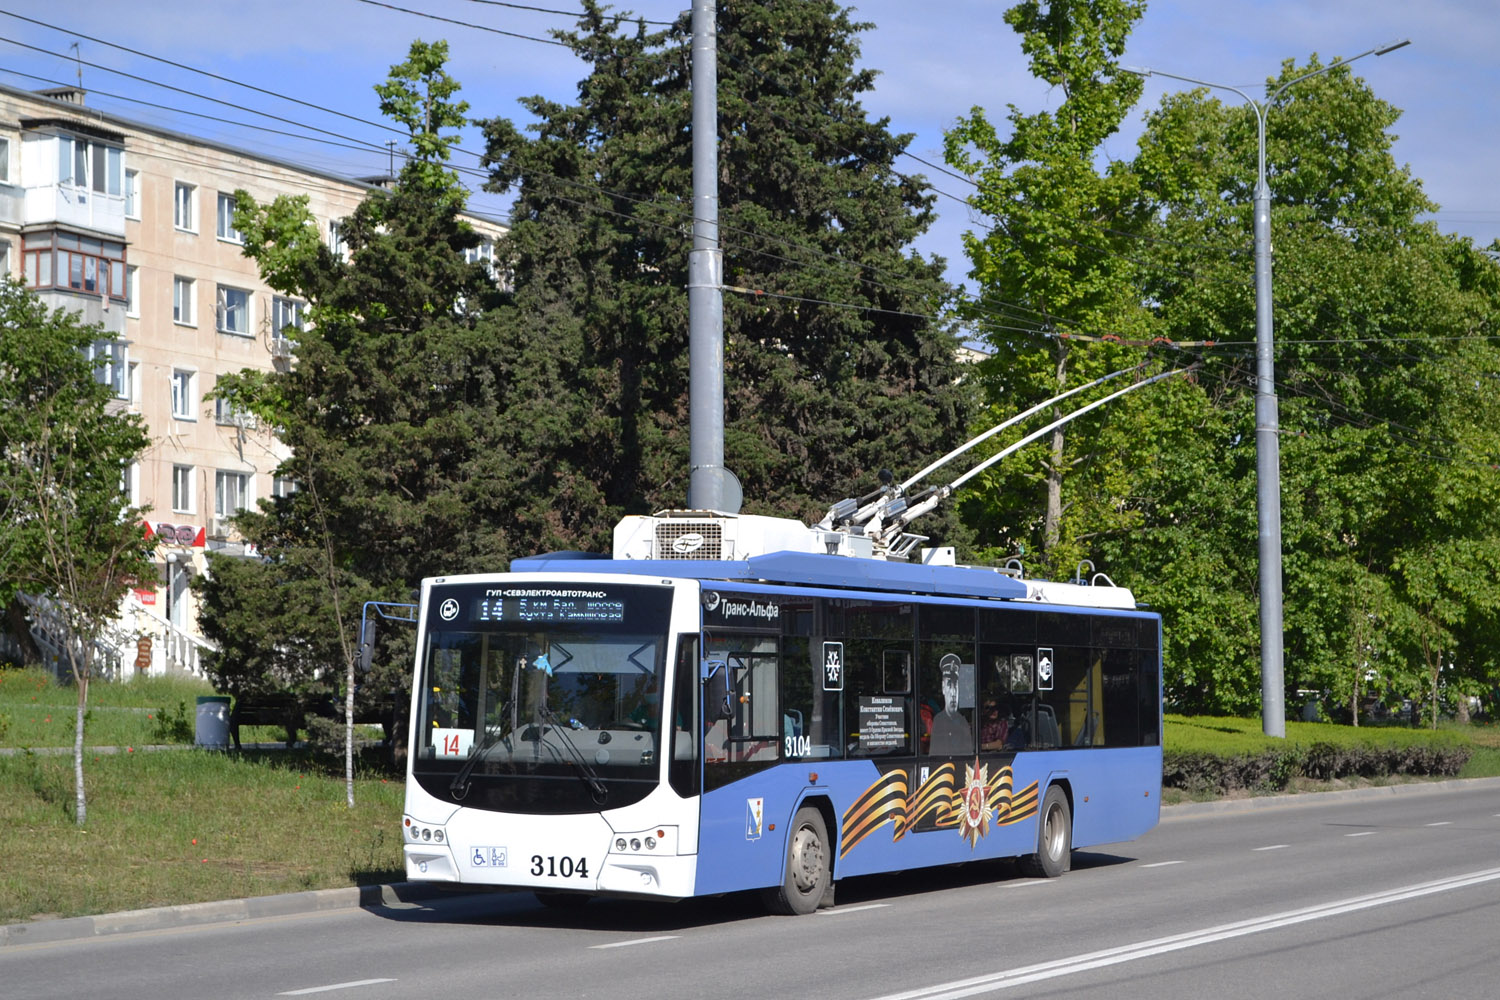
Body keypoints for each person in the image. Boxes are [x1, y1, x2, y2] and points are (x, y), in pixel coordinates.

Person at [927, 656, 973, 755]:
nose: (953, 692)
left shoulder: (962, 721)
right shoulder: (938, 720)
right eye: (949, 684)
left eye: (955, 685)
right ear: (943, 688)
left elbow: (969, 752)